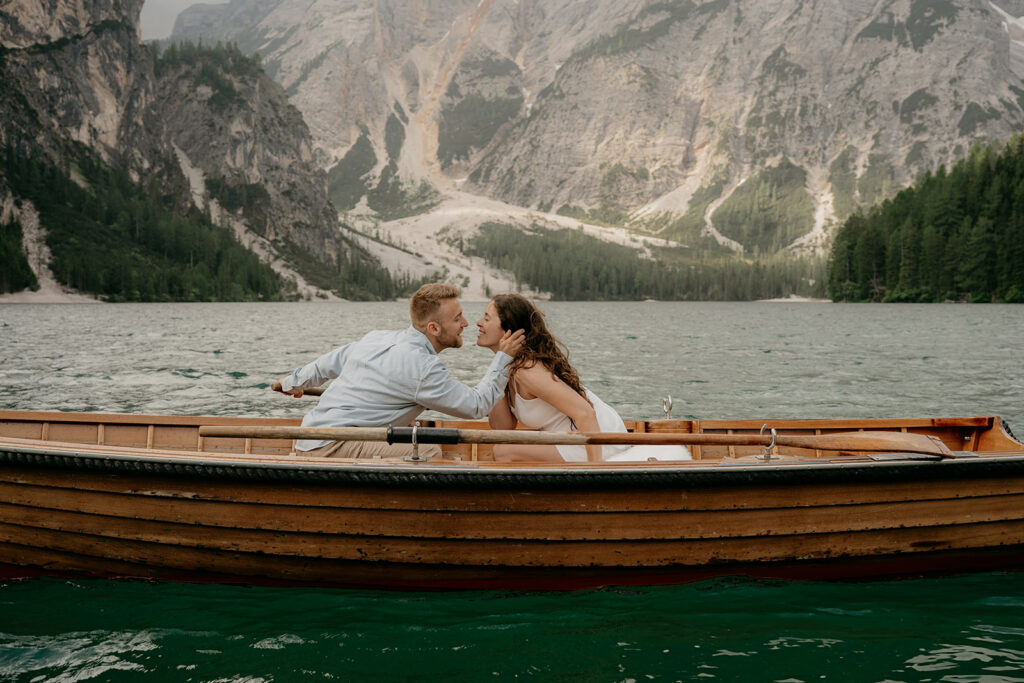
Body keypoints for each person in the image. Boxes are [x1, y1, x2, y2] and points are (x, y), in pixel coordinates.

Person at [273, 283, 524, 458]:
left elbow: (324, 366)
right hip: (331, 446)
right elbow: (476, 406)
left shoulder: (377, 338)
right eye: (457, 318)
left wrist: (291, 383)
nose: (466, 323)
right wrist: (503, 358)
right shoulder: (423, 367)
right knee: (428, 451)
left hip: (310, 434)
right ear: (434, 328)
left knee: (414, 429)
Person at [475, 293, 690, 463]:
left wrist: (594, 471)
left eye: (486, 318)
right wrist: (498, 366)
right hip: (568, 440)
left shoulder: (527, 370)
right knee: (503, 447)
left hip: (598, 439)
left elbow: (585, 413)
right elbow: (502, 428)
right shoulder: (509, 369)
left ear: (508, 330)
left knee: (503, 452)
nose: (478, 323)